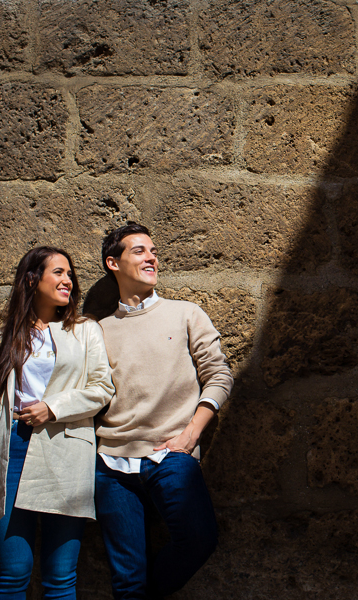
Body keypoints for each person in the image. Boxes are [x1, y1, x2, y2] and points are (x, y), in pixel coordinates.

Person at [94, 222, 233, 600]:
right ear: (113, 263)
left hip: (171, 455)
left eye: (153, 250)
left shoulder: (186, 313)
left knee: (199, 540)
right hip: (110, 464)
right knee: (126, 580)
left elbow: (219, 375)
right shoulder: (98, 329)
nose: (151, 257)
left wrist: (191, 434)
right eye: (138, 251)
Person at [0, 246, 114, 600]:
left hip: (65, 451)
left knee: (61, 577)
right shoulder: (0, 341)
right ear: (32, 279)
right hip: (11, 453)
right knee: (12, 574)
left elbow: (102, 388)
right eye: (58, 272)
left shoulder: (85, 332)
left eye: (69, 274)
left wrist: (52, 407)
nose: (68, 280)